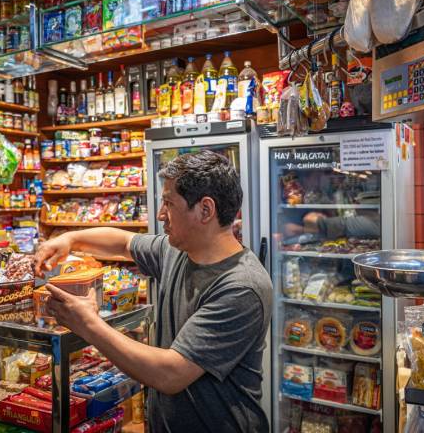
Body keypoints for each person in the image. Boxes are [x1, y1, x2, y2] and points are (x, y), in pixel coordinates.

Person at [35, 150, 272, 433]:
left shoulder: (242, 287)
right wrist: (69, 239)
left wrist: (87, 323)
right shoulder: (177, 250)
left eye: (168, 203)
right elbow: (124, 243)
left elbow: (170, 373)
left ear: (205, 210)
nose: (160, 214)